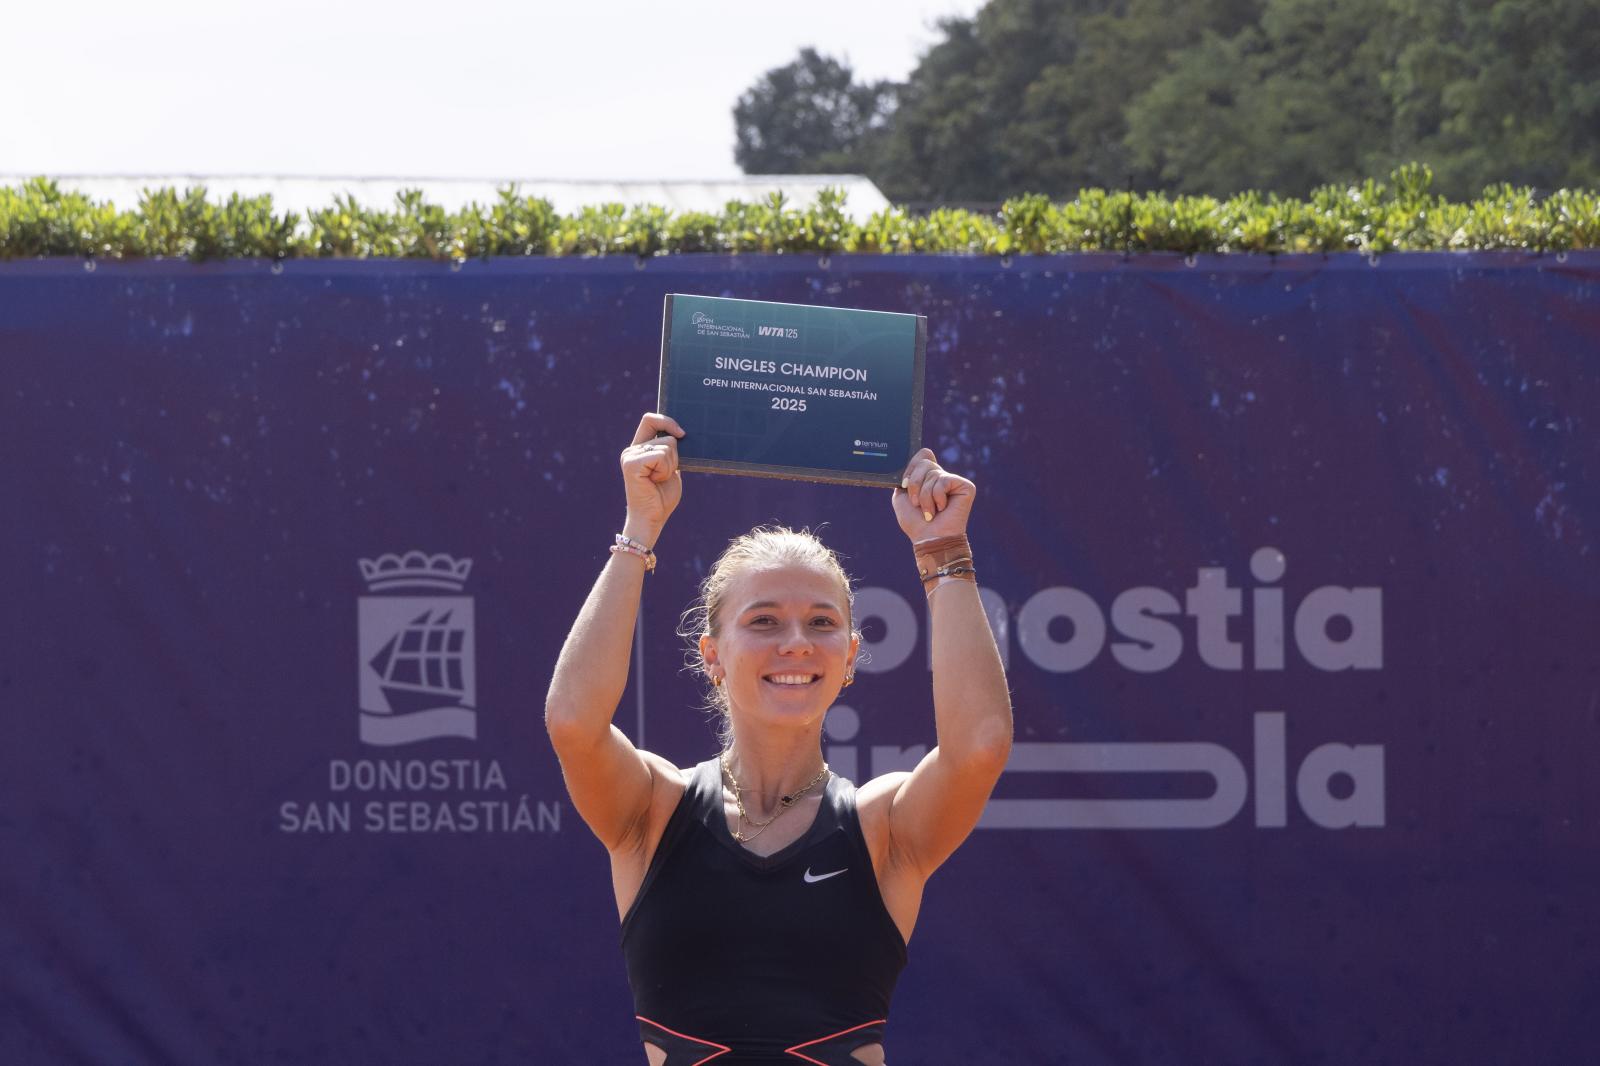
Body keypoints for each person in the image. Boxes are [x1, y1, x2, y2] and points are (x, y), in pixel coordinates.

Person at [545, 412, 1012, 1065]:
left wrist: (943, 553)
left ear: (848, 657)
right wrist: (639, 529)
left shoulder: (885, 830)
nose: (795, 640)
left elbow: (979, 747)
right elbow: (572, 722)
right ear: (711, 653)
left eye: (821, 622)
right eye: (763, 620)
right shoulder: (651, 811)